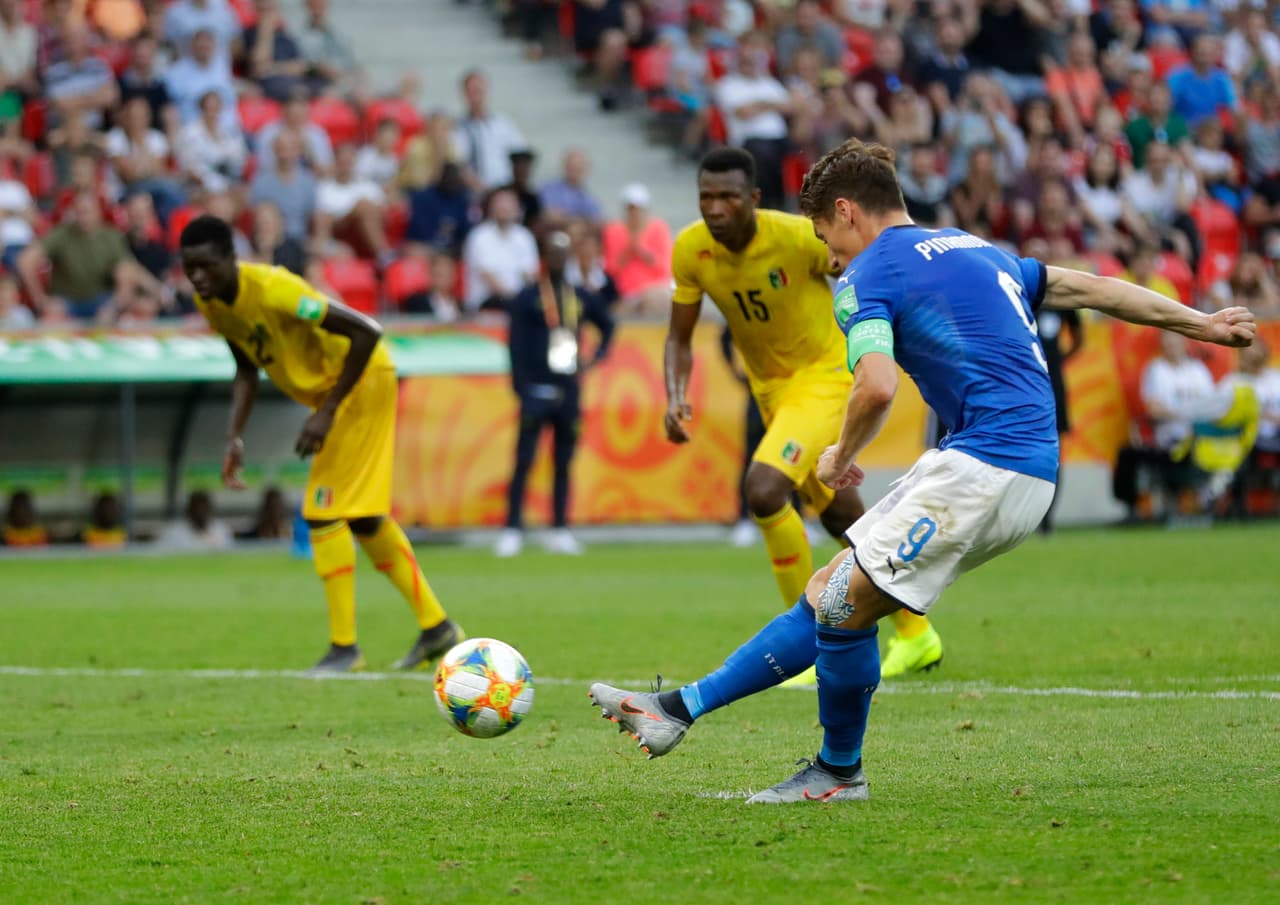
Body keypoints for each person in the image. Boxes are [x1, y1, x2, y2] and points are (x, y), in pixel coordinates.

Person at [588, 138, 1256, 802]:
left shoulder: (870, 276)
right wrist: (1203, 323)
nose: (831, 256)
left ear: (847, 212)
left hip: (985, 465)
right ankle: (678, 709)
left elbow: (876, 384)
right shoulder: (972, 246)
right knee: (833, 592)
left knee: (843, 602)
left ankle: (832, 771)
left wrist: (838, 455)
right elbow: (1093, 287)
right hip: (1019, 464)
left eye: (828, 238)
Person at [660, 147, 940, 684]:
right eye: (706, 197)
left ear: (754, 200)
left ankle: (804, 648)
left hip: (824, 379)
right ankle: (916, 634)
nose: (715, 209)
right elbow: (678, 336)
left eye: (727, 197)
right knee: (841, 518)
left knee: (764, 490)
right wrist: (675, 394)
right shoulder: (691, 249)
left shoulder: (794, 237)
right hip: (774, 395)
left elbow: (868, 258)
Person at [177, 214, 464, 673]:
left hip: (362, 384)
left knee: (323, 511)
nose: (197, 277)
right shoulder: (212, 302)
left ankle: (344, 648)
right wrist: (235, 436)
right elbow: (247, 368)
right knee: (365, 520)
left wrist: (326, 413)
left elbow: (366, 331)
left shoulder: (275, 290)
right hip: (337, 396)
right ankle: (437, 627)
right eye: (189, 267)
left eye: (206, 266)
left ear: (232, 258)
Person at [494, 230, 615, 558]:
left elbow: (608, 323)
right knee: (524, 460)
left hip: (568, 390)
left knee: (563, 460)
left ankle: (560, 527)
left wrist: (595, 358)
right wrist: (520, 385)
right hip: (535, 389)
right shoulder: (527, 297)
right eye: (553, 253)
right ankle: (512, 528)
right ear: (544, 259)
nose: (559, 259)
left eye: (564, 253)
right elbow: (515, 343)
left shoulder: (579, 296)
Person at [156, 489, 234, 549]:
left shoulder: (221, 530)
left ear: (210, 510)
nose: (200, 513)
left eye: (204, 508)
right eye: (196, 509)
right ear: (188, 511)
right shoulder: (173, 532)